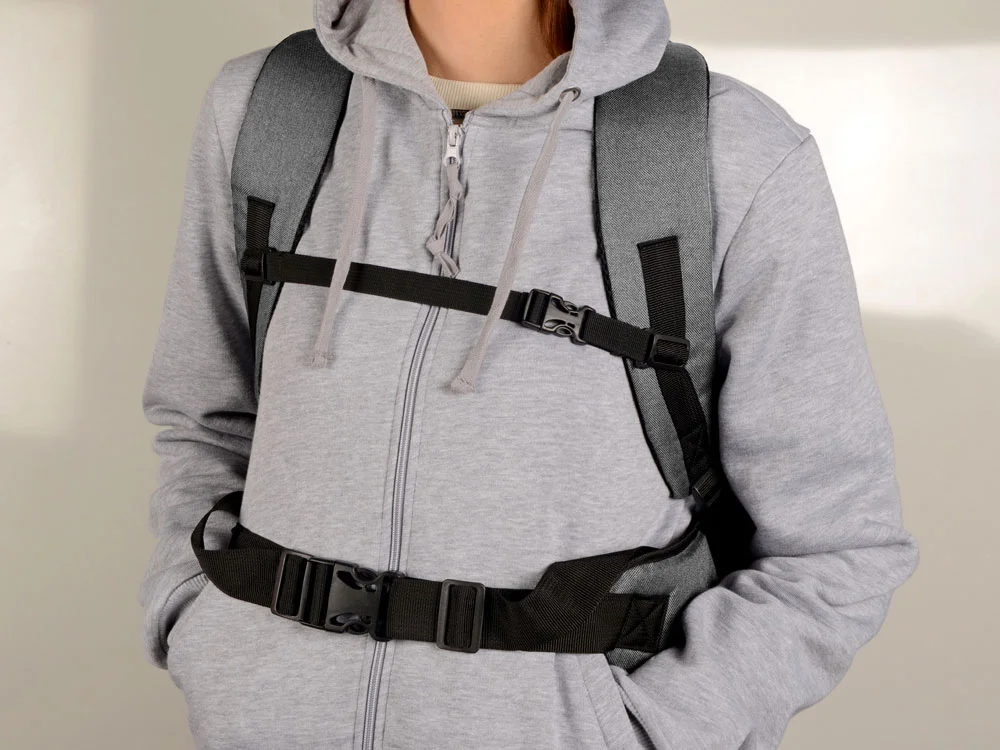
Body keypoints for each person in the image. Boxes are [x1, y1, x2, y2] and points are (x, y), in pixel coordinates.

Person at [138, 1, 920, 748]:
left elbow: (836, 548)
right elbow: (204, 423)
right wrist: (205, 634)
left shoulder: (726, 151)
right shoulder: (270, 109)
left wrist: (654, 731)